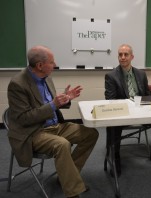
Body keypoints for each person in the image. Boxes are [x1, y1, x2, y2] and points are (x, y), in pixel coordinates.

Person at [7, 46, 99, 198]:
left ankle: (67, 178)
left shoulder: (47, 77)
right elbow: (24, 119)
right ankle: (73, 192)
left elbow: (53, 104)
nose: (55, 64)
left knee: (90, 134)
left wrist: (65, 99)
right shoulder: (17, 84)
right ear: (40, 65)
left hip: (55, 125)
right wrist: (53, 105)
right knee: (63, 144)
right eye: (51, 61)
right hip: (33, 132)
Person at [105, 44, 151, 177]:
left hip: (142, 110)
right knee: (113, 122)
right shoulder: (111, 76)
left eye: (126, 54)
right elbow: (110, 100)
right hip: (123, 112)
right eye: (120, 55)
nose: (122, 57)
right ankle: (115, 155)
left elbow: (147, 94)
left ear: (132, 57)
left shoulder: (141, 74)